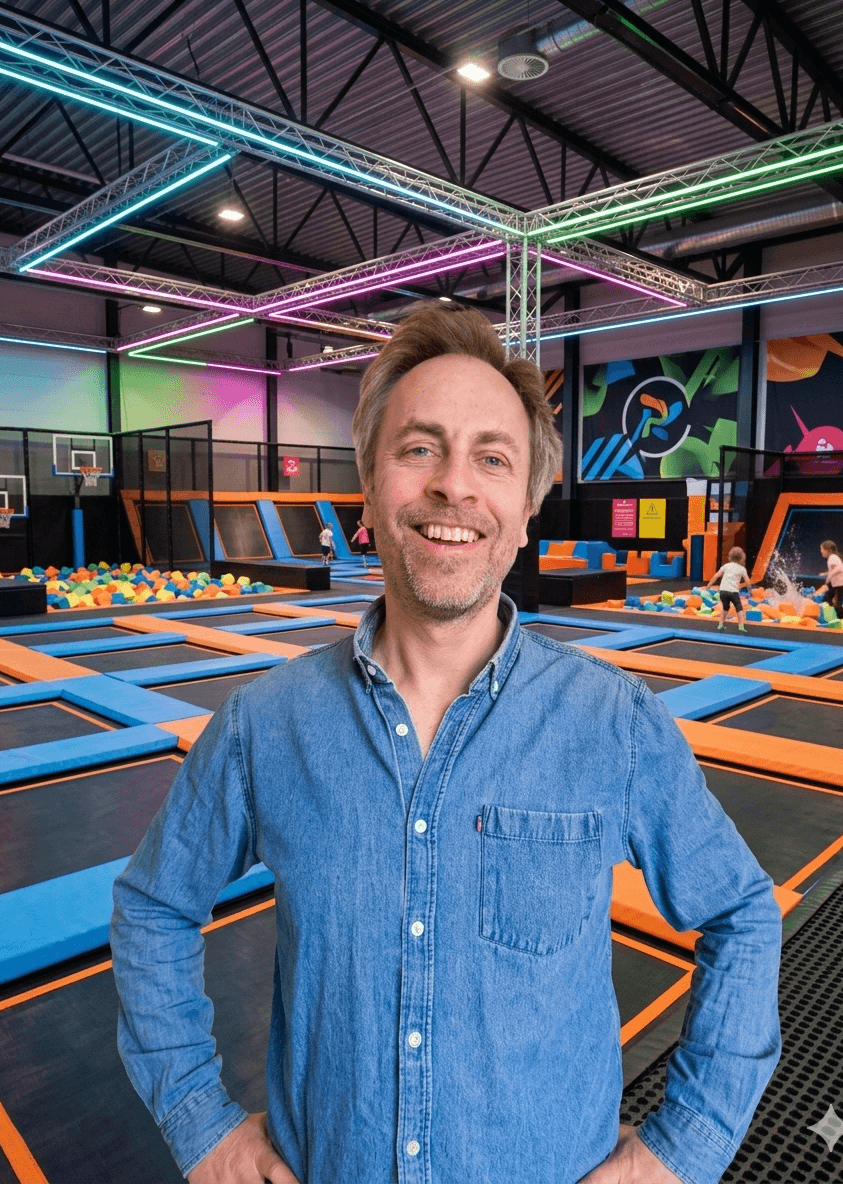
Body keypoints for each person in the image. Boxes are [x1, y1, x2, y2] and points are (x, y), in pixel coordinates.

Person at [111, 302, 782, 1184]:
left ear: (528, 504)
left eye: (491, 459)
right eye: (419, 447)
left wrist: (678, 1153)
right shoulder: (265, 725)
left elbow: (741, 915)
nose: (453, 488)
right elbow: (154, 907)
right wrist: (200, 1123)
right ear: (369, 483)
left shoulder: (613, 724)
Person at [706, 546, 752, 632]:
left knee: (725, 608)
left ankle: (721, 624)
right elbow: (747, 581)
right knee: (739, 608)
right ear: (741, 558)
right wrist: (750, 589)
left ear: (730, 557)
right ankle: (741, 625)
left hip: (723, 591)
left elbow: (716, 576)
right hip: (733, 592)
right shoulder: (742, 569)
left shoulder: (726, 566)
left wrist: (708, 586)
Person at [817, 539, 843, 618]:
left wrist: (828, 578)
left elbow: (840, 568)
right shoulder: (832, 557)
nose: (821, 551)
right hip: (836, 584)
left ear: (827, 550)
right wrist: (826, 573)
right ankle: (828, 615)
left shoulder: (832, 557)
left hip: (842, 584)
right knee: (827, 599)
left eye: (821, 549)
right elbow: (834, 570)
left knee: (837, 604)